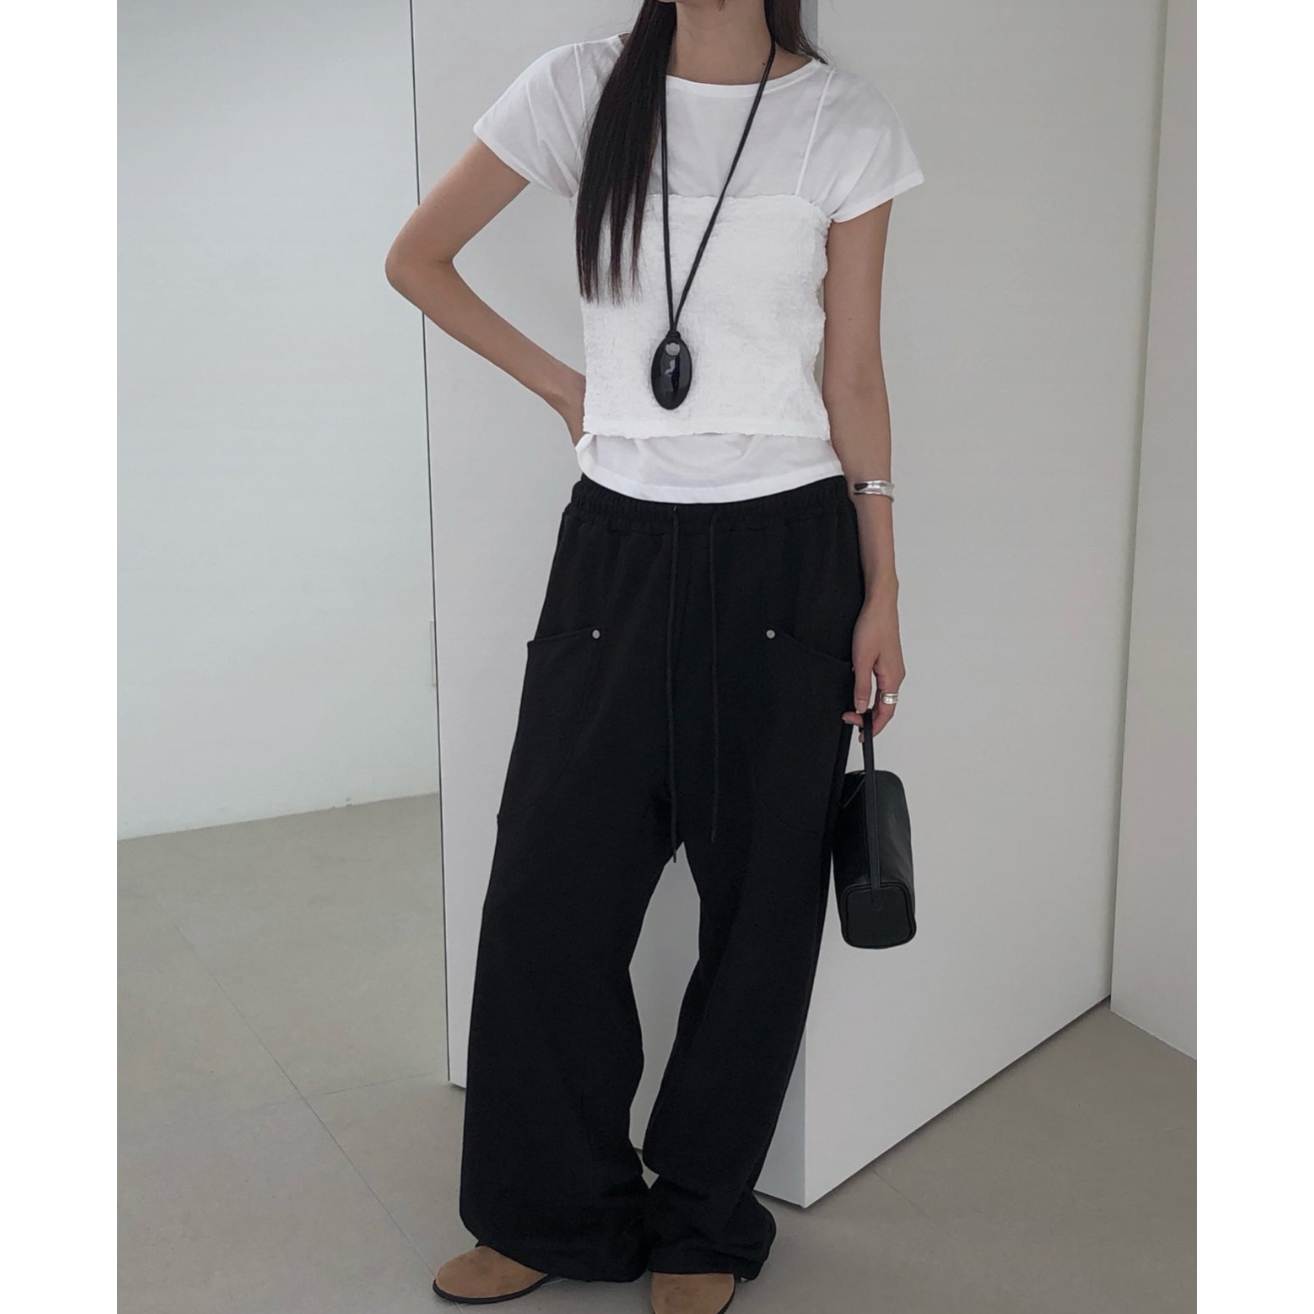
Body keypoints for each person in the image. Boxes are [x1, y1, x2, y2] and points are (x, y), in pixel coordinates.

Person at [385, 2, 922, 1310]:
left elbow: (853, 370)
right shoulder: (578, 90)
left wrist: (884, 584)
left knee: (760, 912)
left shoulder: (842, 121)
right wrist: (566, 386)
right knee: (547, 896)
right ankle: (546, 1208)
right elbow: (419, 258)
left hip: (790, 550)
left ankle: (700, 1222)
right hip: (616, 547)